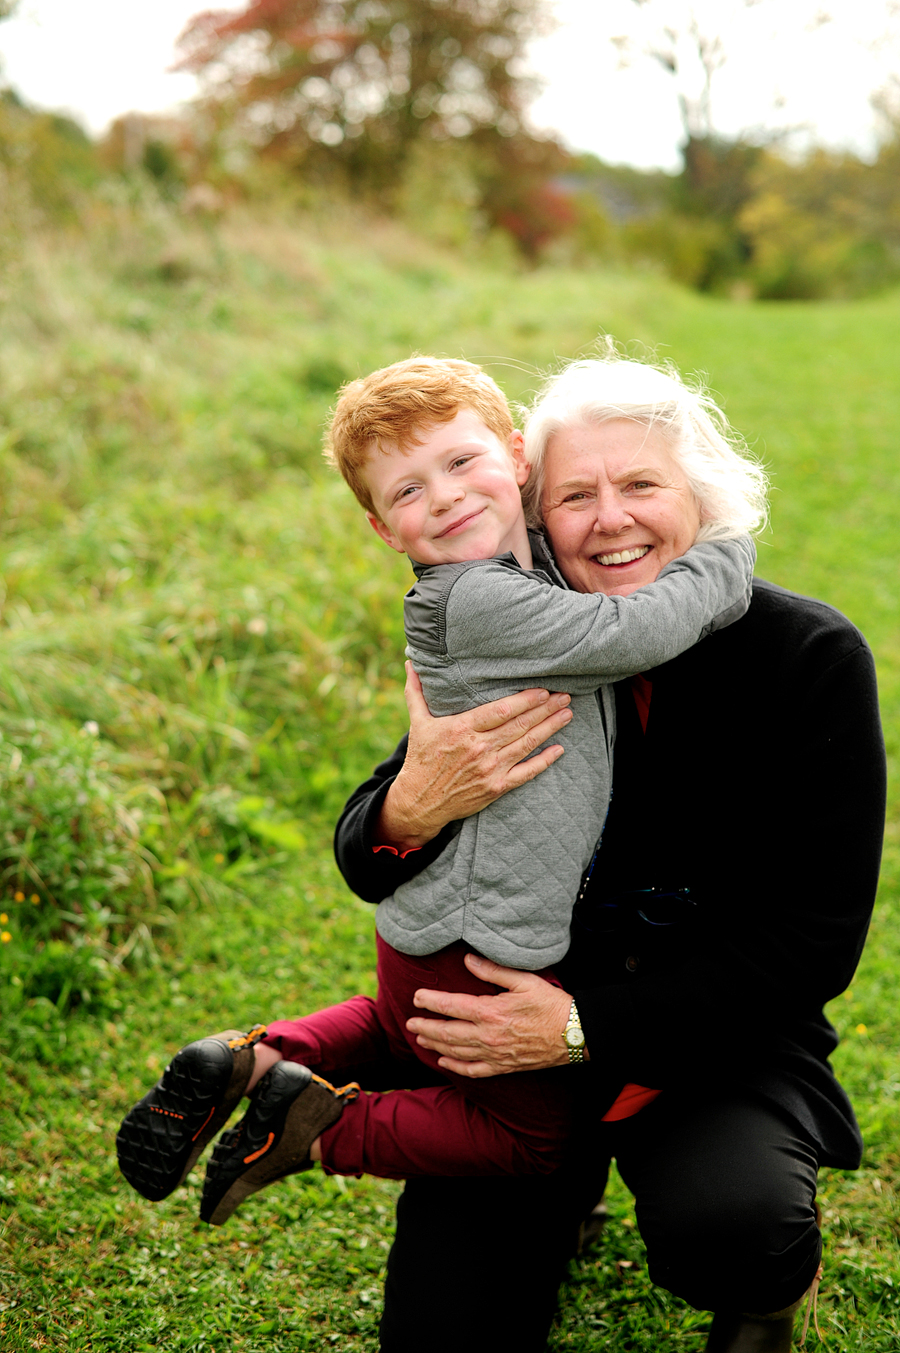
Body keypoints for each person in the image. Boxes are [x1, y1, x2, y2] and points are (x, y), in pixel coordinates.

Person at [117, 356, 754, 1226]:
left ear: (516, 459)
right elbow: (635, 629)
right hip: (484, 930)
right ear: (385, 530)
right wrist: (724, 556)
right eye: (410, 490)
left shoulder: (524, 582)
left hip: (444, 920)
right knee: (530, 1138)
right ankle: (317, 1128)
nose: (447, 497)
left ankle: (256, 1061)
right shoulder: (480, 601)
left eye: (461, 462)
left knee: (398, 1020)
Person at [334, 355, 887, 1353]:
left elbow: (815, 943)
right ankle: (562, 1185)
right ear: (536, 509)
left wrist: (585, 1024)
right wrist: (410, 808)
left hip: (709, 1038)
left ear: (701, 497)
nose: (611, 519)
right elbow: (373, 843)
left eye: (642, 486)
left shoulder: (808, 658)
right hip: (509, 1037)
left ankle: (761, 1301)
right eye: (576, 495)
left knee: (734, 1221)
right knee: (439, 1333)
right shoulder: (529, 625)